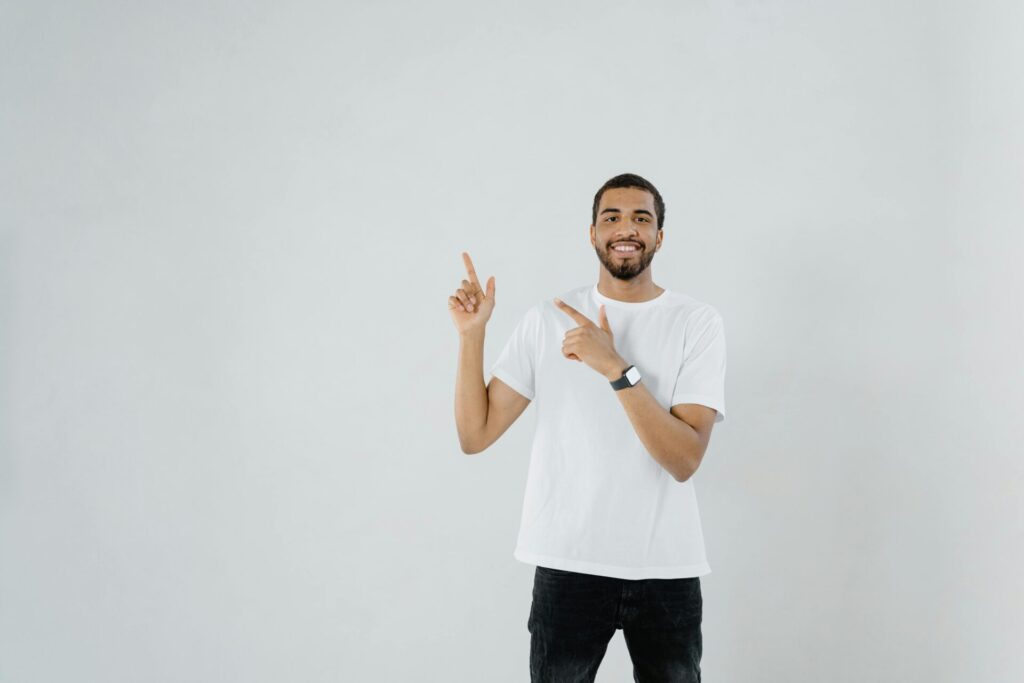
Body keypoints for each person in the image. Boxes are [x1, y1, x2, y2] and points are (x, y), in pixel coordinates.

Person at [450, 173, 726, 682]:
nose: (627, 228)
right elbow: (476, 434)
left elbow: (685, 459)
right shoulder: (547, 319)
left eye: (642, 218)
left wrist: (616, 369)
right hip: (568, 563)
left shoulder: (696, 322)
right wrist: (473, 336)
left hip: (666, 568)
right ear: (593, 233)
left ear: (659, 236)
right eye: (612, 217)